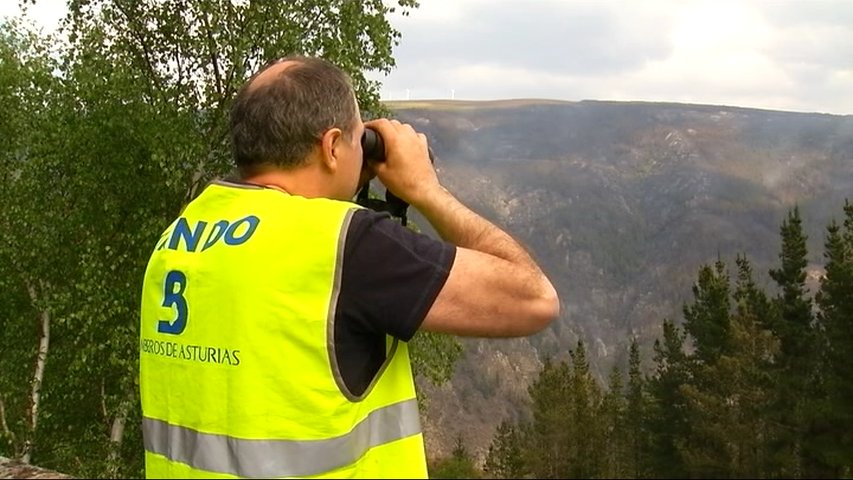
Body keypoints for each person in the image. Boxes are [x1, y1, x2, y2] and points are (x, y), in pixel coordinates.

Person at [139, 55, 560, 479]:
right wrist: (425, 190)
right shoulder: (344, 244)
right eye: (359, 142)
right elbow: (535, 299)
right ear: (331, 146)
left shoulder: (182, 233)